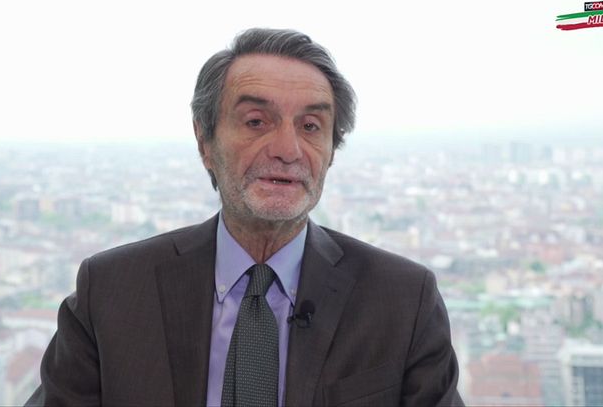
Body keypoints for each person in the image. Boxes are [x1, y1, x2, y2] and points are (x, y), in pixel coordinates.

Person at [26, 28, 463, 407]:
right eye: (256, 122)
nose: (288, 150)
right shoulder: (112, 291)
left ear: (332, 152)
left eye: (311, 126)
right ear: (205, 141)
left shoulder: (403, 301)